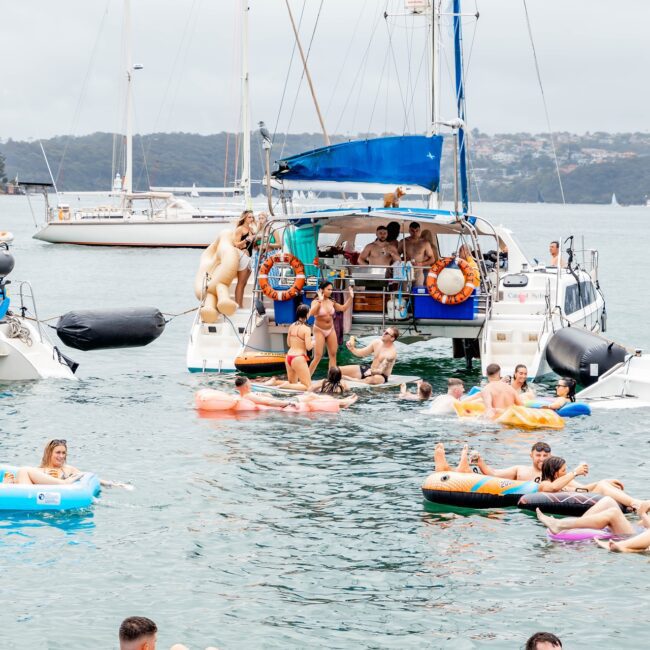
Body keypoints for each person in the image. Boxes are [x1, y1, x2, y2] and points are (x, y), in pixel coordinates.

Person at [15, 439, 130, 489]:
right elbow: (23, 486)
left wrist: (115, 485)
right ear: (49, 453)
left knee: (24, 469)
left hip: (60, 497)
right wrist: (9, 482)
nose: (61, 456)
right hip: (38, 498)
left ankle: (62, 483)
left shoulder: (68, 470)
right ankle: (62, 483)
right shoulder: (38, 471)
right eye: (58, 453)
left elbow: (88, 477)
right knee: (23, 470)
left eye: (64, 453)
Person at [537, 456, 641, 510]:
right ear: (555, 473)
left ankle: (633, 504)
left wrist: (604, 482)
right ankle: (636, 503)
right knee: (602, 486)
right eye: (564, 470)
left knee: (602, 485)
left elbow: (585, 489)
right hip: (565, 507)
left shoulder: (565, 484)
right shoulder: (544, 485)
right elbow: (554, 488)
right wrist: (575, 472)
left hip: (579, 500)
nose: (566, 472)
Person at [537, 496, 650, 545]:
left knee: (613, 513)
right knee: (608, 501)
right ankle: (573, 526)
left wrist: (643, 514)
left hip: (634, 538)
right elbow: (642, 525)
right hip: (638, 531)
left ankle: (560, 525)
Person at [308, 281, 354, 374]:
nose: (330, 291)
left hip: (330, 329)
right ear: (322, 290)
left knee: (333, 355)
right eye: (328, 289)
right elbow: (311, 313)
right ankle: (306, 379)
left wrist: (351, 297)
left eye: (331, 289)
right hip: (319, 330)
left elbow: (343, 308)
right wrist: (320, 300)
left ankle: (331, 379)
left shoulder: (331, 301)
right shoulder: (315, 301)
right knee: (318, 356)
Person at [270, 304, 313, 391]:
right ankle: (284, 385)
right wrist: (314, 342)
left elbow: (289, 344)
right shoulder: (306, 329)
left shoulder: (292, 326)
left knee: (293, 385)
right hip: (298, 358)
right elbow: (309, 347)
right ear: (307, 314)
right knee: (308, 386)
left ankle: (275, 382)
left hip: (289, 356)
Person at [474, 441, 552, 482]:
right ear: (531, 456)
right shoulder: (520, 470)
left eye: (545, 456)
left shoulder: (555, 474)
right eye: (538, 455)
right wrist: (480, 462)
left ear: (550, 457)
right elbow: (494, 474)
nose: (542, 459)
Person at [233, 210, 257, 307]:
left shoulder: (251, 230)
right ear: (244, 218)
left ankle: (240, 304)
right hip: (243, 256)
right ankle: (238, 305)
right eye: (249, 217)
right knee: (240, 283)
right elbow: (235, 244)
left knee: (244, 283)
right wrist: (246, 240)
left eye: (252, 217)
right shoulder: (240, 229)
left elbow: (253, 246)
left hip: (250, 257)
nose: (251, 219)